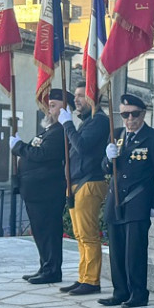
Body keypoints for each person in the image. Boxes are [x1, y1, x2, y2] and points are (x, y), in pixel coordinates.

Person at [102, 94, 154, 308]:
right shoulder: (117, 135)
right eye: (125, 114)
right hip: (116, 202)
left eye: (134, 114)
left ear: (143, 114)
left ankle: (139, 293)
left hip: (138, 203)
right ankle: (120, 291)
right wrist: (108, 158)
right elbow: (106, 169)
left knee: (134, 252)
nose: (130, 119)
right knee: (116, 252)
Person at [11, 89, 69, 284]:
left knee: (49, 232)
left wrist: (18, 147)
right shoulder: (49, 130)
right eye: (48, 105)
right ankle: (45, 266)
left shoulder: (60, 132)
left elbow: (41, 155)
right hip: (36, 192)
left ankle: (52, 270)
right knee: (41, 232)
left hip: (47, 192)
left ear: (64, 108)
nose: (48, 110)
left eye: (53, 106)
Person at [59, 95, 110, 296]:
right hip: (77, 182)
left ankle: (91, 281)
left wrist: (68, 125)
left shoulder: (99, 121)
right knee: (80, 235)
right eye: (76, 96)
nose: (76, 100)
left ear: (93, 98)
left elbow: (82, 146)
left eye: (82, 95)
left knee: (88, 235)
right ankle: (83, 277)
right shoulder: (88, 121)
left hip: (89, 181)